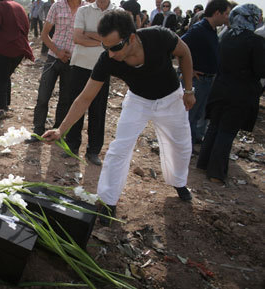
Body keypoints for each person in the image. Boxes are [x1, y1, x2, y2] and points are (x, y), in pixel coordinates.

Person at [42, 10, 195, 225]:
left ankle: (179, 182)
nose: (111, 53)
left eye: (115, 47)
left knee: (180, 145)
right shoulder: (107, 59)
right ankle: (107, 202)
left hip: (171, 99)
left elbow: (185, 53)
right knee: (118, 149)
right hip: (138, 101)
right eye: (106, 47)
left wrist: (188, 90)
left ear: (131, 38)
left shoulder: (159, 36)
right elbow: (84, 98)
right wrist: (61, 130)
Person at [197, 4, 265, 183]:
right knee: (226, 132)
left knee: (214, 128)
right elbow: (260, 71)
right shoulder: (255, 41)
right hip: (239, 94)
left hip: (220, 89)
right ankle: (216, 174)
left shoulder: (226, 36)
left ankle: (203, 164)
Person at [63, 0, 116, 165]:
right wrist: (103, 41)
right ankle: (72, 146)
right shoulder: (83, 10)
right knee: (76, 105)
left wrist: (90, 34)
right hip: (80, 64)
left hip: (103, 67)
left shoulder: (116, 12)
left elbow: (115, 41)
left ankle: (93, 151)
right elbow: (78, 38)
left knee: (98, 111)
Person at [26, 0, 84, 143]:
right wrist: (58, 51)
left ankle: (57, 132)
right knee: (43, 96)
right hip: (53, 58)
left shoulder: (85, 9)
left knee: (65, 99)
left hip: (73, 61)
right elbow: (44, 34)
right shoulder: (57, 6)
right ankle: (37, 130)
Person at [182, 0, 231, 146]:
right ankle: (184, 148)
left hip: (206, 81)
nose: (228, 17)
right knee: (189, 117)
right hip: (198, 81)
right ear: (217, 13)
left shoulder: (210, 30)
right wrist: (188, 71)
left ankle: (190, 144)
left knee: (197, 116)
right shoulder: (199, 29)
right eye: (226, 14)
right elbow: (179, 47)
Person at [0, 0, 34, 119]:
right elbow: (26, 26)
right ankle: (6, 104)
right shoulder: (18, 6)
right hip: (20, 49)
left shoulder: (0, 6)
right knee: (6, 76)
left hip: (4, 48)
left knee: (0, 79)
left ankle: (1, 109)